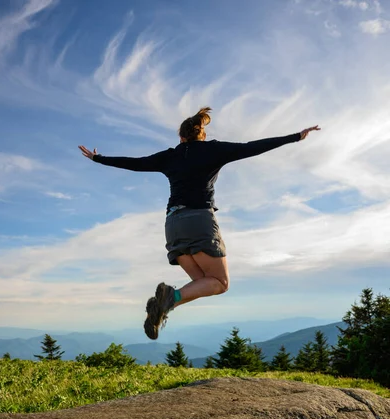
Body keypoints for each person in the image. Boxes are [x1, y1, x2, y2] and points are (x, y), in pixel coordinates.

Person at [79, 108, 320, 340]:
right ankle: (167, 298)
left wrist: (98, 159)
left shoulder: (170, 155)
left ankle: (162, 304)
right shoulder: (213, 150)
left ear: (181, 137)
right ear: (201, 134)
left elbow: (136, 163)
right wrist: (295, 137)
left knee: (202, 282)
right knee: (220, 283)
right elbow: (252, 148)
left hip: (173, 224)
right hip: (199, 221)